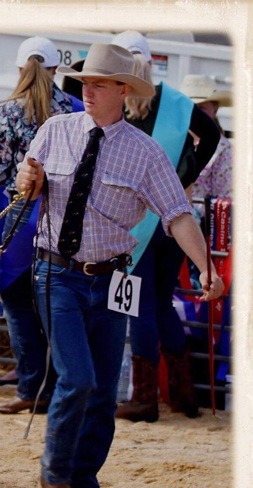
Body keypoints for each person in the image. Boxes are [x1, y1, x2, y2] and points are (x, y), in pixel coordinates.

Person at [16, 43, 224, 488]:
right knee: (79, 378)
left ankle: (83, 487)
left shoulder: (147, 153)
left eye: (99, 84)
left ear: (122, 90)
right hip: (56, 273)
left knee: (104, 390)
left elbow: (177, 215)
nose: (87, 90)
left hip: (112, 278)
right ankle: (57, 478)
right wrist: (27, 180)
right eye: (85, 82)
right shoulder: (54, 131)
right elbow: (23, 187)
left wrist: (205, 268)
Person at [110, 33, 220, 423]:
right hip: (174, 218)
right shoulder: (176, 101)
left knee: (139, 305)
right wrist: (185, 174)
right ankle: (183, 396)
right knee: (161, 304)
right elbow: (212, 135)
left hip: (139, 220)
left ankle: (143, 399)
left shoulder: (119, 100)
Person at [0, 36, 79, 415]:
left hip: (23, 214)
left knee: (18, 302)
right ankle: (57, 384)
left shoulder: (7, 112)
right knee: (53, 303)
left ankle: (30, 385)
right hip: (63, 216)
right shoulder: (72, 109)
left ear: (20, 69)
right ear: (56, 70)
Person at [181, 74, 233, 201]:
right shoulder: (175, 139)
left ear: (215, 110)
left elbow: (223, 200)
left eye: (201, 109)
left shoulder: (224, 151)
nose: (195, 115)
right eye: (190, 108)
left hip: (200, 217)